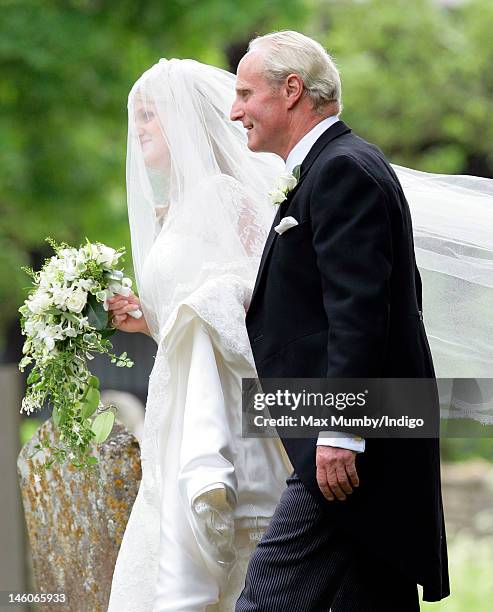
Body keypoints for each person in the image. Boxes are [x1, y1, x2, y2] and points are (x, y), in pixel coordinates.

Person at [229, 31, 452, 611]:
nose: (235, 111)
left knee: (267, 598)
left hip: (353, 444)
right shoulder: (330, 167)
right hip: (361, 438)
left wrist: (339, 430)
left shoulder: (342, 170)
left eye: (246, 94)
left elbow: (359, 314)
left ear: (292, 91)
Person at [106, 58, 291, 612]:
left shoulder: (225, 196)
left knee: (226, 557)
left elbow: (258, 295)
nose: (138, 129)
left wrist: (193, 308)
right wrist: (151, 319)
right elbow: (188, 314)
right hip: (177, 401)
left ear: (185, 122)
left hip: (225, 411)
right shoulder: (175, 209)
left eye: (149, 117)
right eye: (135, 118)